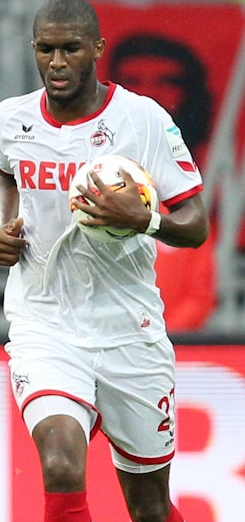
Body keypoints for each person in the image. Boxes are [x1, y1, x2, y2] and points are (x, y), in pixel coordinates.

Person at [0, 0, 214, 522]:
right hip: (44, 320)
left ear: (96, 48)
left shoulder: (141, 121)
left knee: (149, 507)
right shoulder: (11, 118)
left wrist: (140, 216)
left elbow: (193, 222)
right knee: (57, 458)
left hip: (126, 331)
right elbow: (5, 172)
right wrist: (3, 231)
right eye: (44, 50)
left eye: (69, 50)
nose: (55, 63)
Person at [106, 33, 217, 331]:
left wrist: (158, 337)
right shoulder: (92, 192)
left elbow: (200, 295)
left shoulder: (194, 204)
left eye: (167, 81)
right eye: (134, 81)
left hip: (165, 348)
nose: (150, 94)